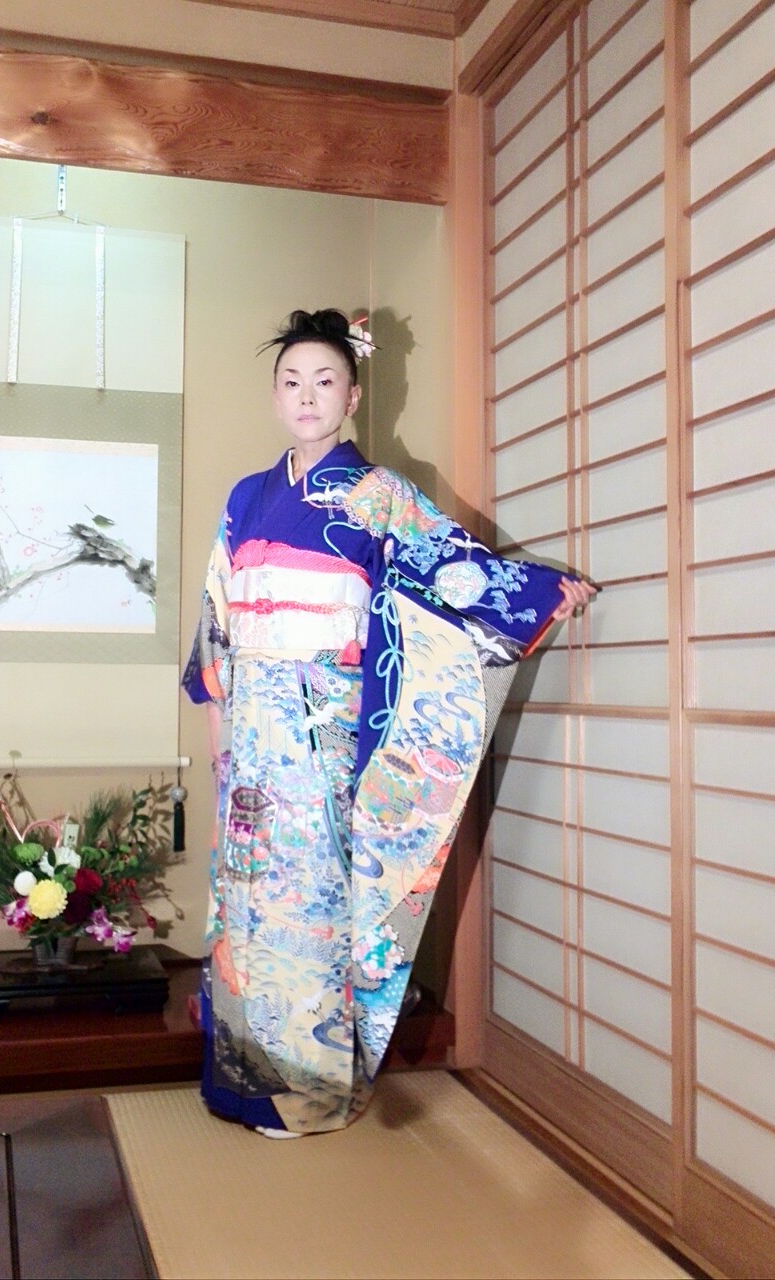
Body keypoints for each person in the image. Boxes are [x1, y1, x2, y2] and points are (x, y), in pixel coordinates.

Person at [182, 308, 596, 1137]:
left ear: (353, 396)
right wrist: (221, 737)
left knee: (313, 902)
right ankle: (239, 1081)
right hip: (253, 733)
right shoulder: (245, 496)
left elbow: (452, 572)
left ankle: (305, 1093)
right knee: (246, 903)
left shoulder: (382, 496)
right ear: (275, 396)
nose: (307, 396)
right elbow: (218, 624)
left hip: (325, 730)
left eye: (324, 381)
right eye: (292, 381)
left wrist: (541, 592)